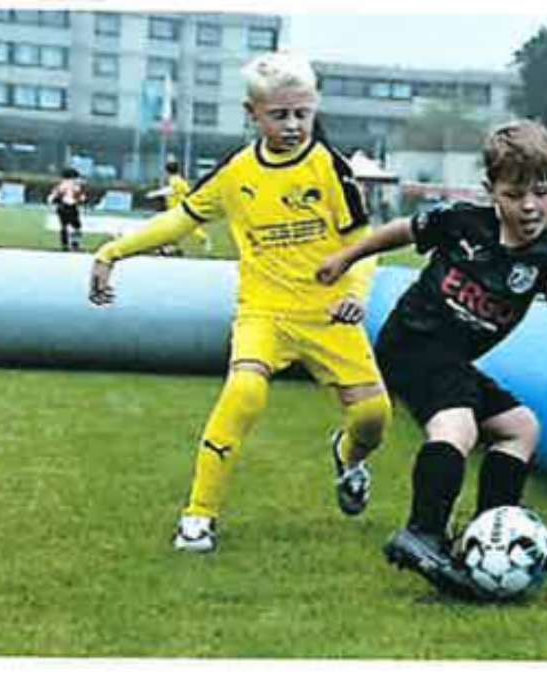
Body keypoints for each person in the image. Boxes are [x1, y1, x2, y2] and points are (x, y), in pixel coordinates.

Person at [87, 51, 392, 553]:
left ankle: (349, 458)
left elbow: (364, 243)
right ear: (253, 115)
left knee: (373, 419)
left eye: (303, 113)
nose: (294, 125)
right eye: (280, 114)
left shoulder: (330, 168)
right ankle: (198, 517)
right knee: (243, 393)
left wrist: (355, 295)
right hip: (263, 314)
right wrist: (113, 252)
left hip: (328, 314)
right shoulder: (235, 173)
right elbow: (180, 219)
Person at [317, 120, 547, 596]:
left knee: (521, 427)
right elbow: (403, 230)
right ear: (492, 191)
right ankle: (423, 533)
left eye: (541, 191)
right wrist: (347, 257)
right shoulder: (463, 222)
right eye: (515, 194)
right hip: (411, 344)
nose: (530, 206)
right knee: (458, 426)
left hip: (453, 361)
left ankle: (489, 533)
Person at [145, 159, 209, 255]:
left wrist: (154, 194)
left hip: (178, 209)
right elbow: (186, 191)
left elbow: (171, 190)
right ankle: (169, 246)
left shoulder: (175, 180)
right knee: (182, 227)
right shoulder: (179, 179)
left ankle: (202, 239)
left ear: (167, 171)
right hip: (176, 208)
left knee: (183, 227)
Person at [47, 167, 87, 252]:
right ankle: (75, 244)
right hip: (72, 207)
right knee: (76, 226)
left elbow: (52, 197)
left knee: (64, 226)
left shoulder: (61, 185)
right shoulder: (75, 185)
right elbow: (82, 198)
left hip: (62, 207)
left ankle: (64, 245)